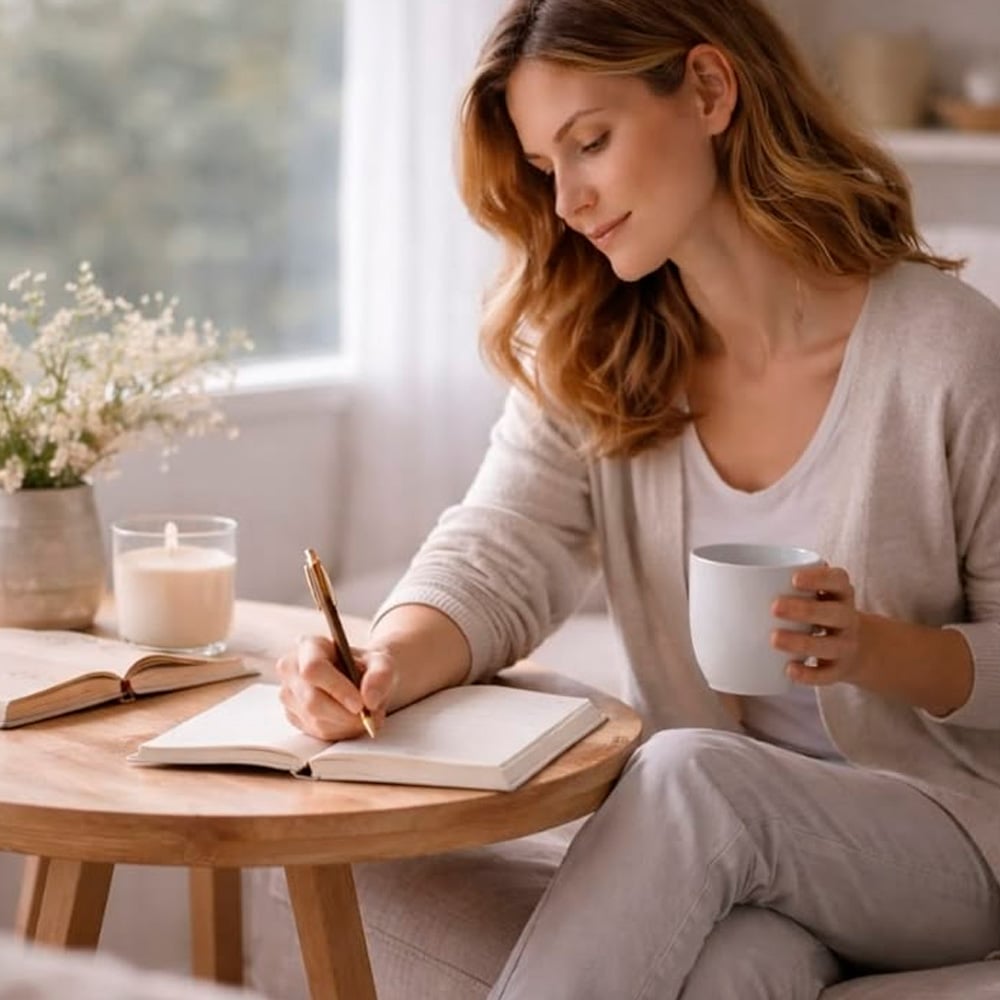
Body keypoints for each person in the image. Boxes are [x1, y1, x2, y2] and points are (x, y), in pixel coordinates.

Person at [277, 0, 1000, 995]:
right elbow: (501, 541)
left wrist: (876, 647)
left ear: (708, 90)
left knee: (688, 772)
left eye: (590, 143)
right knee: (735, 970)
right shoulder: (602, 349)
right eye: (544, 168)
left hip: (953, 840)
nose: (567, 199)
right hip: (754, 852)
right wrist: (382, 657)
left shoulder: (946, 351)